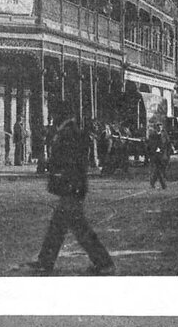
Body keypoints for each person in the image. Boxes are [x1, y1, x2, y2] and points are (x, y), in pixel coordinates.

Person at [28, 116, 115, 275]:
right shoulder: (72, 133)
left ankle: (104, 263)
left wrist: (57, 177)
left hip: (71, 190)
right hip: (73, 189)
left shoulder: (67, 134)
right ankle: (45, 262)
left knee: (78, 229)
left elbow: (66, 164)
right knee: (58, 227)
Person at [146, 122, 171, 189]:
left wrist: (168, 154)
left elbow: (168, 144)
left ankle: (153, 183)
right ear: (156, 128)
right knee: (159, 170)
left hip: (163, 155)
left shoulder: (164, 135)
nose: (159, 128)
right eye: (158, 127)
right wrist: (151, 153)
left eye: (160, 127)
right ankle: (163, 185)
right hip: (155, 155)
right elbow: (149, 145)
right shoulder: (153, 135)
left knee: (161, 170)